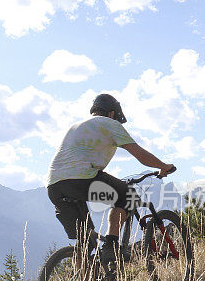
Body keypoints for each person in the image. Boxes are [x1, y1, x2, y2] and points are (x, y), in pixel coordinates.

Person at [47, 94, 175, 264]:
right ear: (112, 113)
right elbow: (140, 155)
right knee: (127, 196)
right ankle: (111, 246)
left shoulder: (75, 126)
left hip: (54, 187)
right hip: (82, 181)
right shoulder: (109, 123)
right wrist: (163, 166)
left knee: (86, 243)